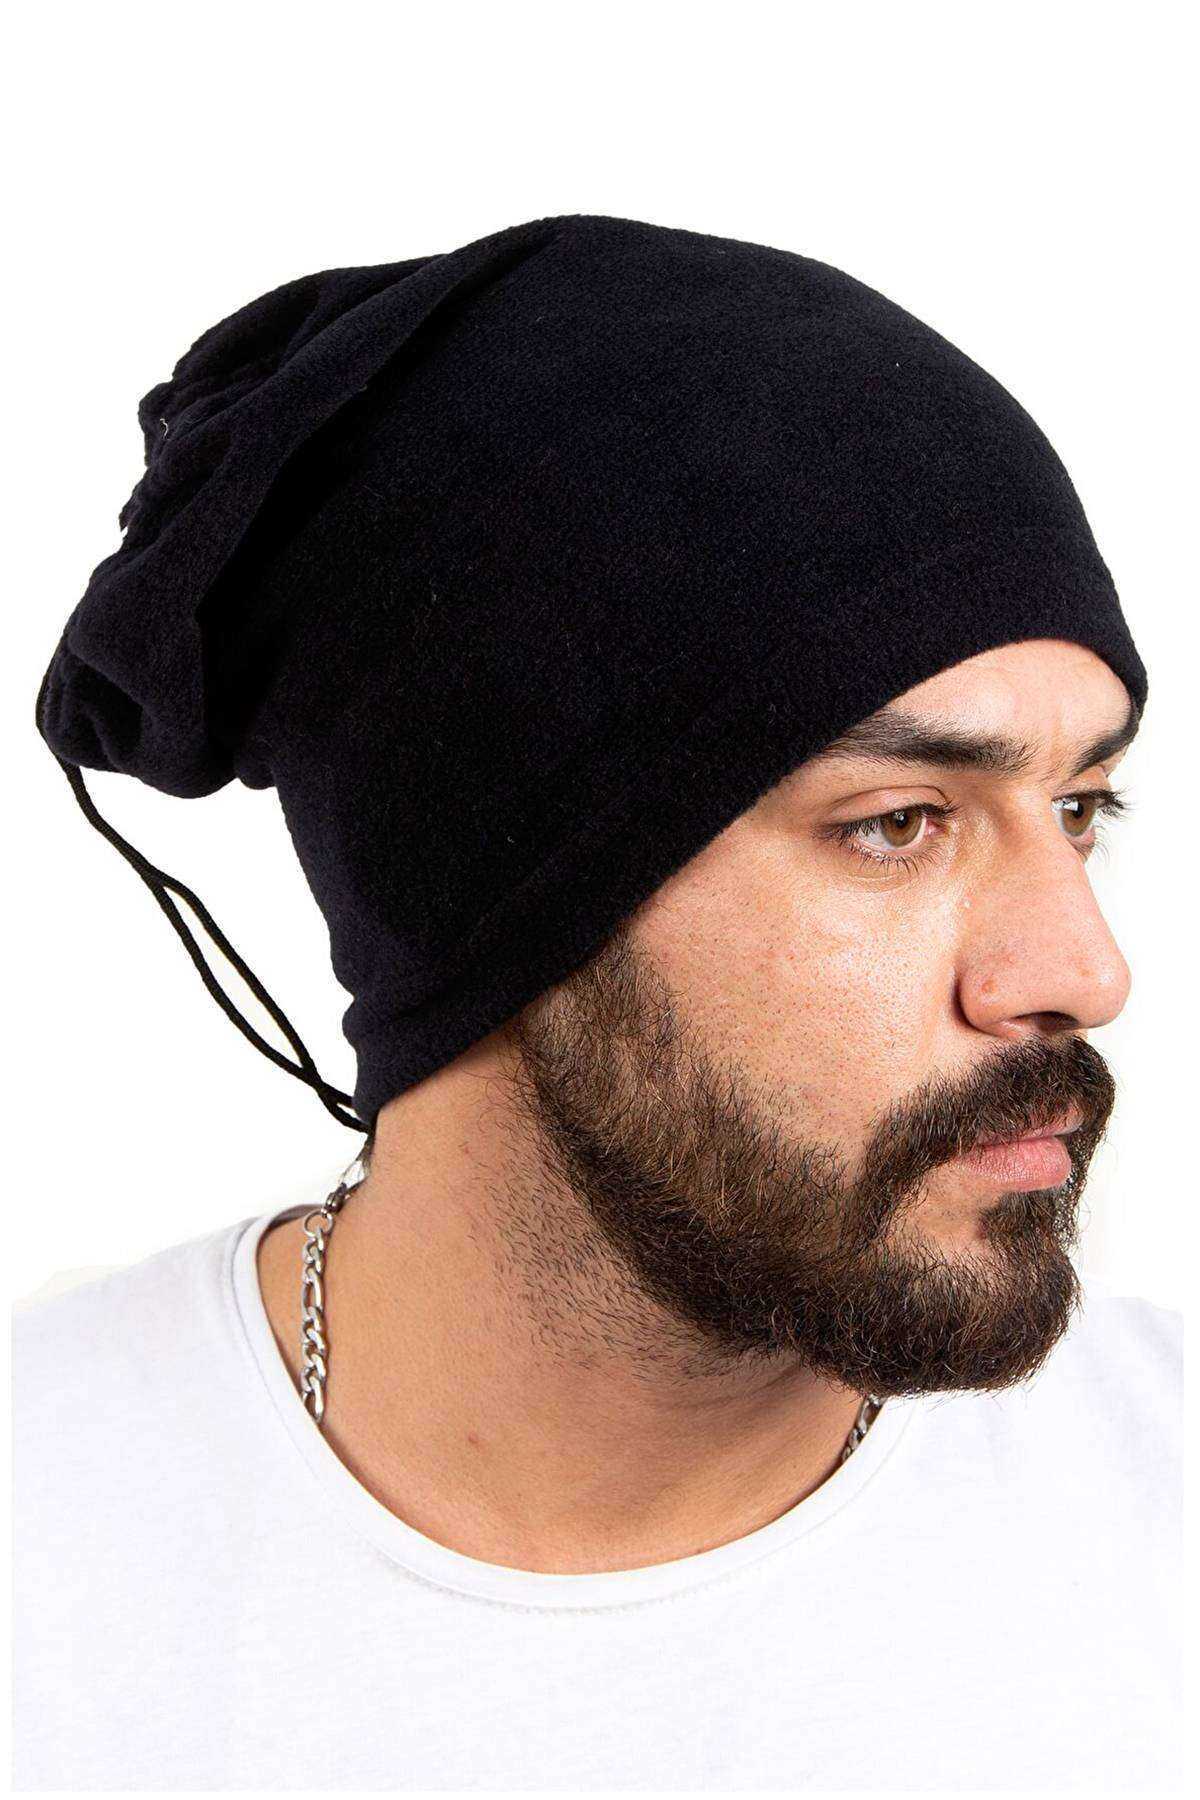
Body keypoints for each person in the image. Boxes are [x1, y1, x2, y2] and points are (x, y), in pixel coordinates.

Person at [15, 214, 1181, 1790]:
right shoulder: (46, 1553)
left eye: (1082, 807)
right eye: (897, 822)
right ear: (490, 891)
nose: (1085, 972)